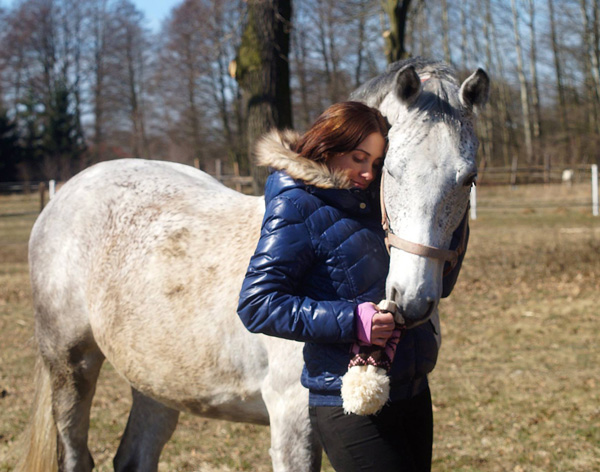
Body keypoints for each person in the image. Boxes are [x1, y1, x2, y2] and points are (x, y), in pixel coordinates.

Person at [237, 101, 466, 472]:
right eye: (359, 158)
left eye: (376, 163)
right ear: (328, 146)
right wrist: (352, 320)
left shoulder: (382, 204)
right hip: (348, 398)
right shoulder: (296, 205)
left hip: (411, 389)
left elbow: (439, 285)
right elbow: (258, 304)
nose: (367, 173)